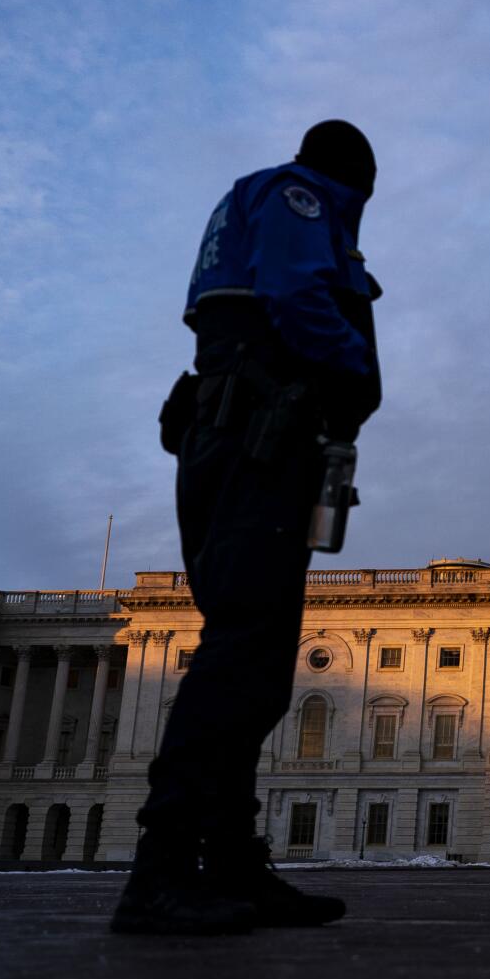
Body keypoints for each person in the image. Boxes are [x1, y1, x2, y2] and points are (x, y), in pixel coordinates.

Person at [111, 121, 383, 935]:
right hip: (259, 432)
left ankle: (229, 861)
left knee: (257, 662)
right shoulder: (301, 199)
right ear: (353, 180)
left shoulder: (250, 199)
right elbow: (299, 297)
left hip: (243, 429)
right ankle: (161, 870)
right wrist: (357, 371)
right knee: (241, 655)